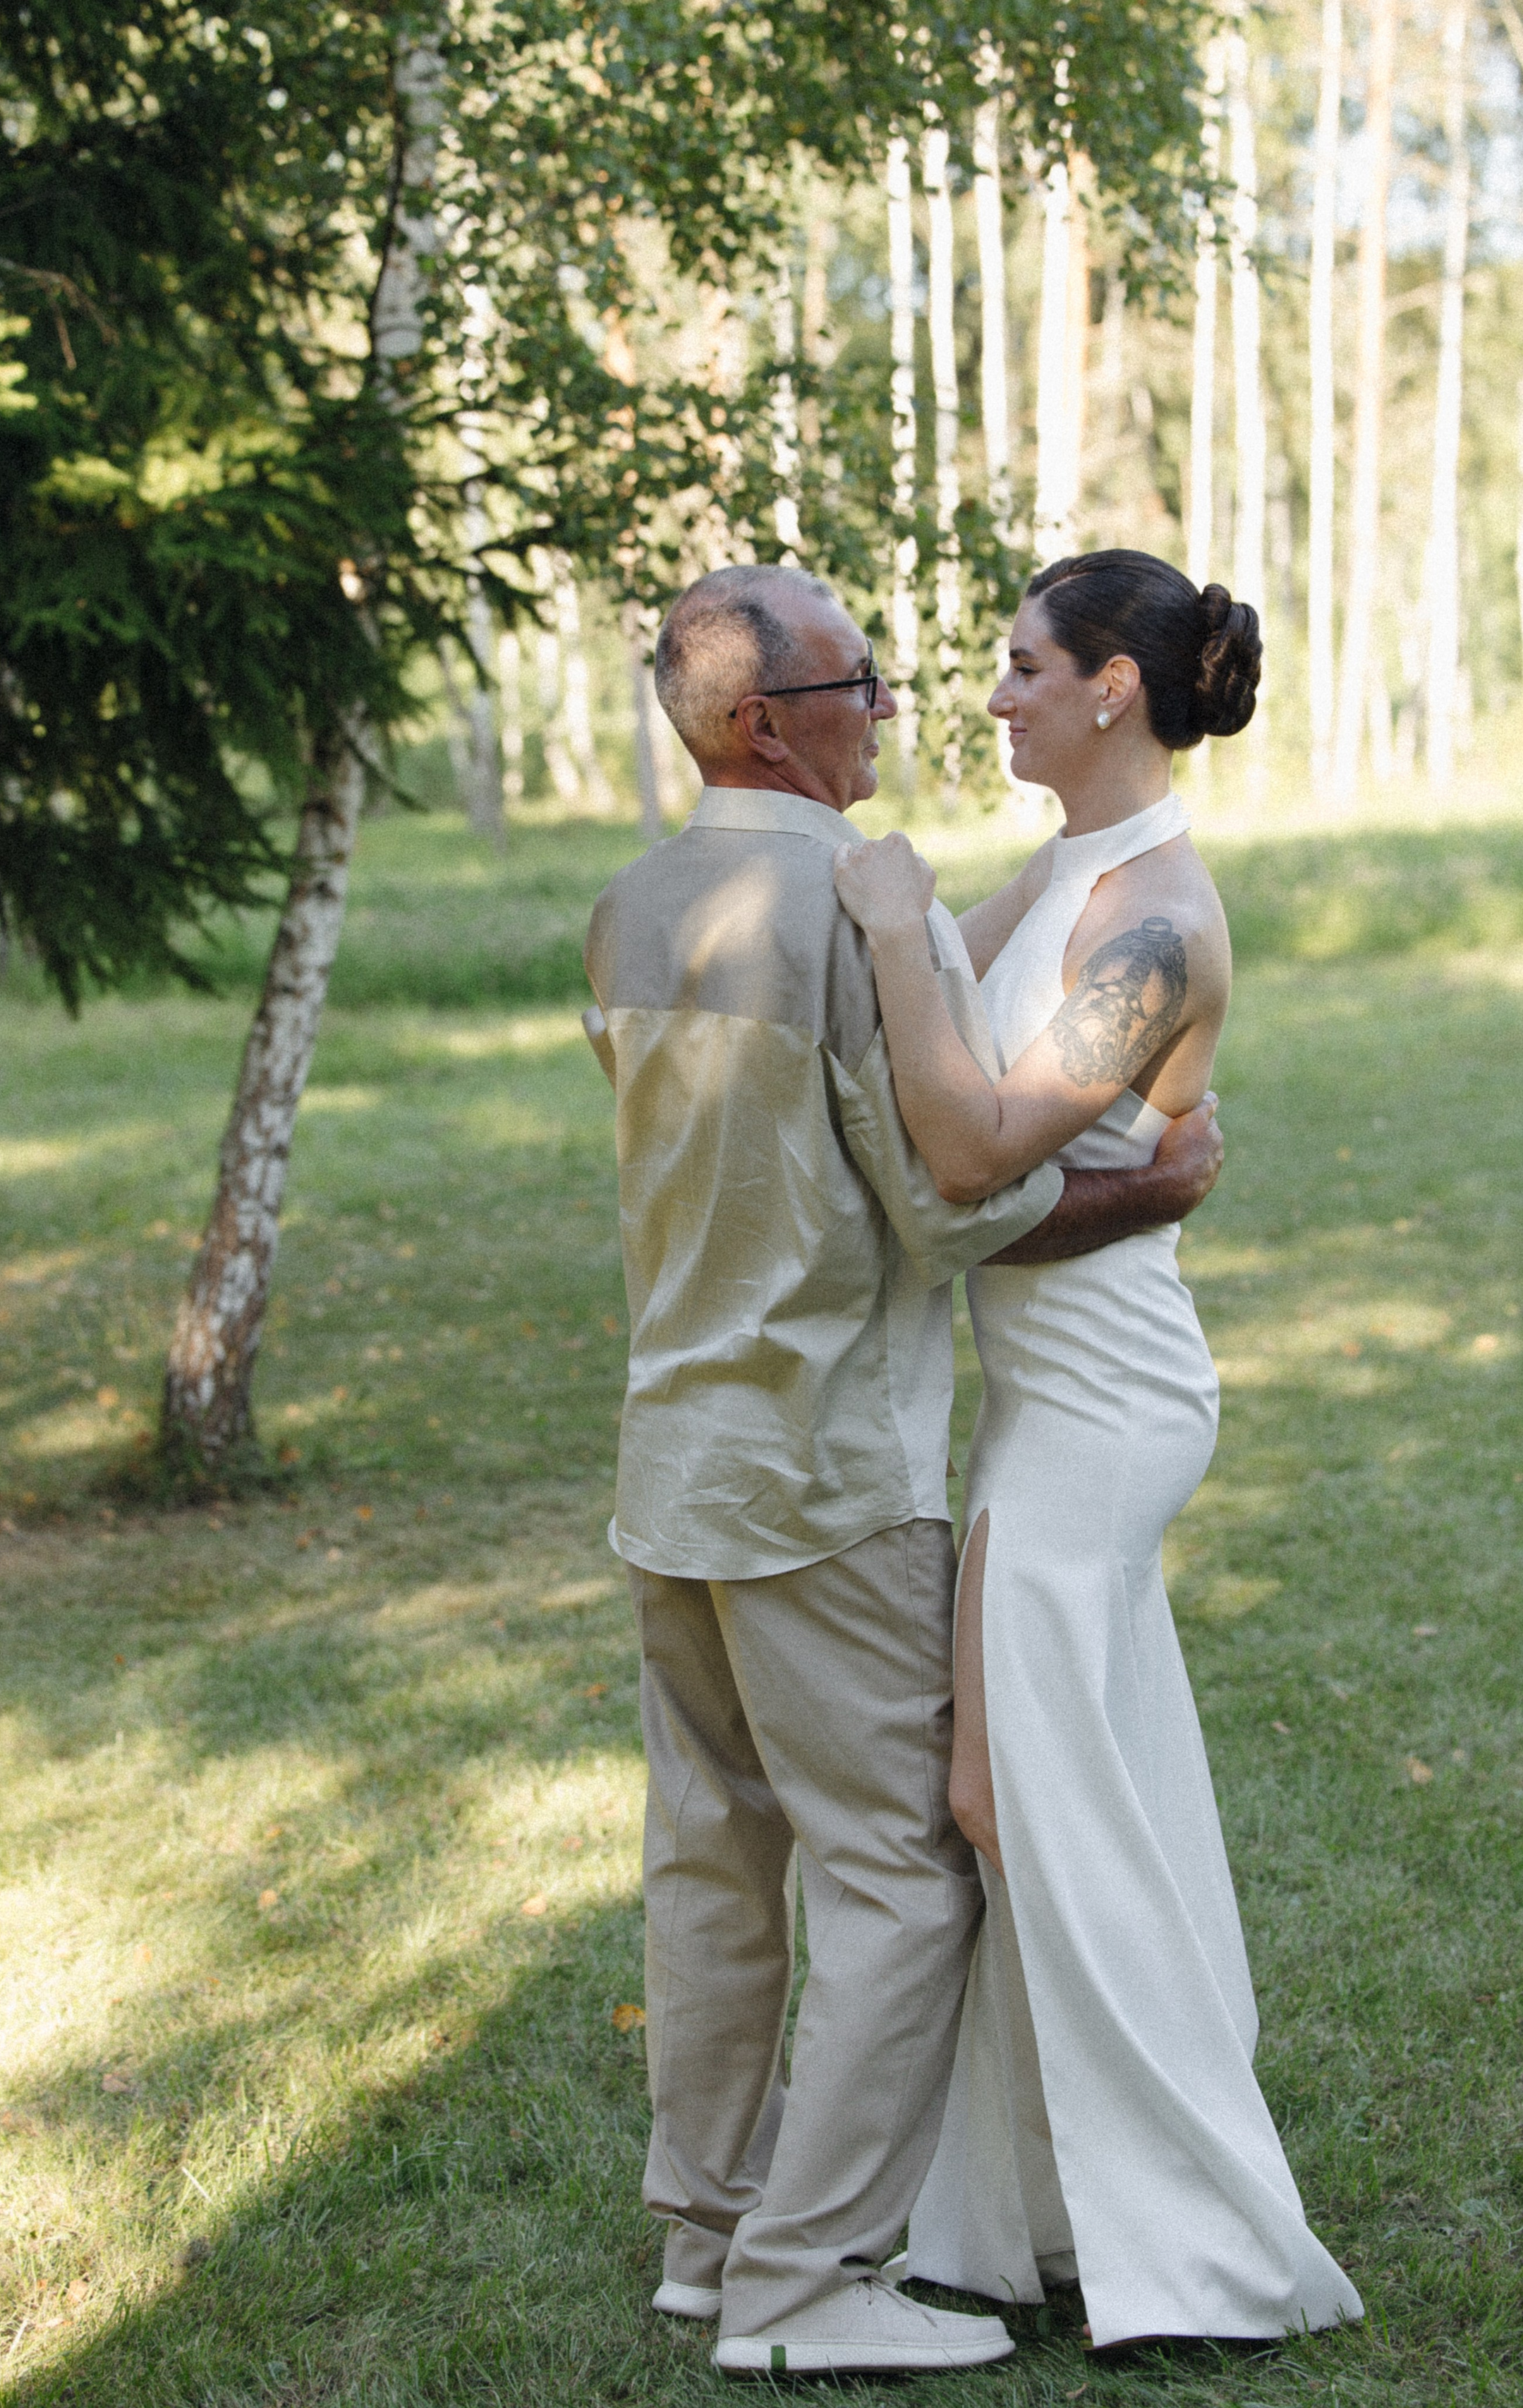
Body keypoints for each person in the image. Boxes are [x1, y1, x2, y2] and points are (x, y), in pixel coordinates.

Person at [582, 562, 1225, 2378]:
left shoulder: (634, 909)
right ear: (771, 720)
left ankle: (705, 2248)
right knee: (895, 1877)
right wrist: (1149, 1186)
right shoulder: (860, 917)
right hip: (824, 1480)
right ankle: (803, 2289)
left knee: (710, 1870)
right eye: (861, 681)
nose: (894, 704)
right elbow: (954, 1192)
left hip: (667, 1464)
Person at [832, 551, 1362, 2348]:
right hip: (1035, 1399)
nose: (990, 696)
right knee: (1043, 1800)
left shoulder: (1151, 925)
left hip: (1104, 1409)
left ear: (1110, 690)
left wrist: (901, 932)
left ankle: (1205, 2251)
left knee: (1019, 1806)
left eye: (1018, 666)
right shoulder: (1060, 871)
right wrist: (886, 936)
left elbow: (968, 1152)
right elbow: (911, 1095)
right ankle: (1020, 2221)